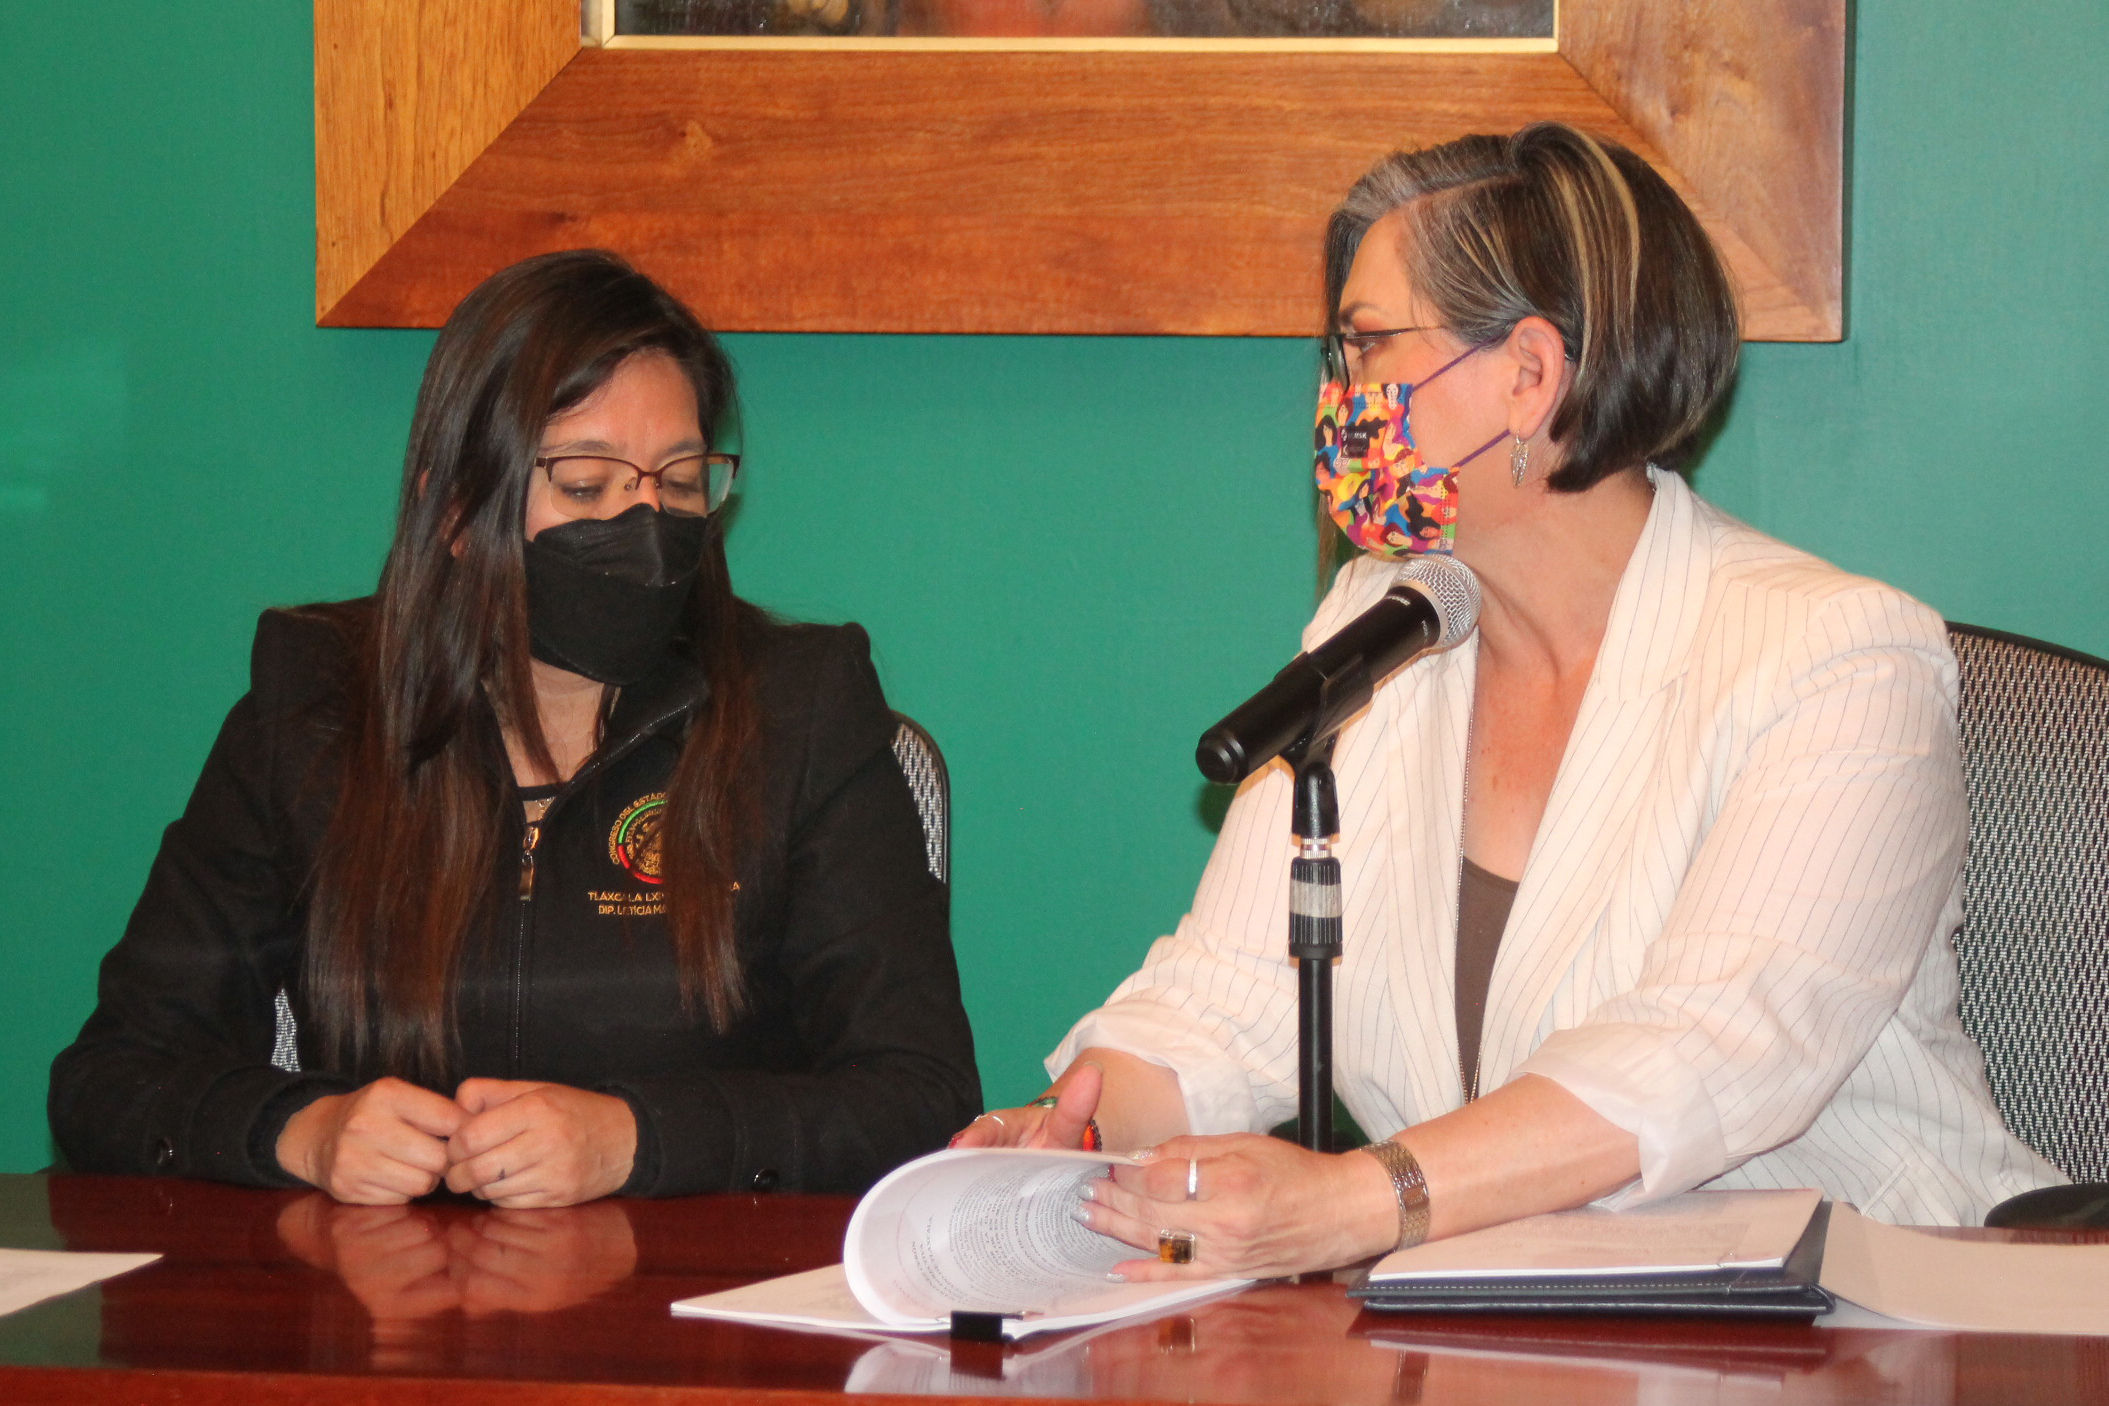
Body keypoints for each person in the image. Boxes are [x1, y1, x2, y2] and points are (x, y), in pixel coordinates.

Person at [957, 124, 2063, 1277]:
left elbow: (1704, 1052)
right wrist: (1078, 1135)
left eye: (1367, 346)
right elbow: (1230, 999)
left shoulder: (1835, 659)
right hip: (1508, 1317)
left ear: (1530, 375)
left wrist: (1358, 1199)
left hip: (1871, 1307)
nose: (1337, 398)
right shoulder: (1379, 626)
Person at [50, 251, 980, 1207]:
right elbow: (111, 1079)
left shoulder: (801, 706)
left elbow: (920, 1095)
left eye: (679, 481)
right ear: (458, 510)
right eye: (585, 485)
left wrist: (637, 1139)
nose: (644, 521)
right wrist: (300, 1131)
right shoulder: (316, 708)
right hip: (388, 1281)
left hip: (698, 1281)